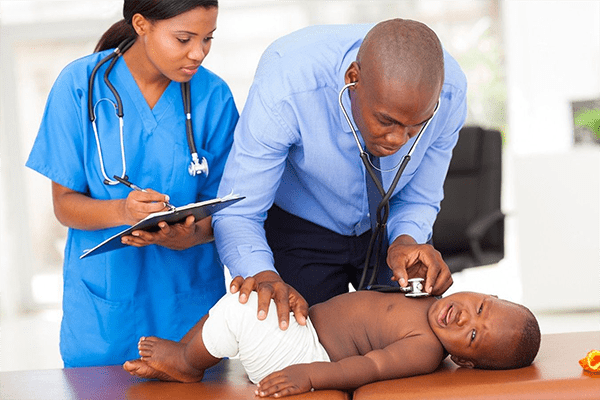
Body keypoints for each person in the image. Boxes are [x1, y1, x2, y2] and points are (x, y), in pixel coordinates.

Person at [213, 18, 468, 331]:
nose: (398, 140)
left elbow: (420, 195)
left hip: (389, 225)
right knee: (304, 349)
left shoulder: (450, 89)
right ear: (353, 78)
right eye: (386, 121)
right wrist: (262, 275)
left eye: (415, 126)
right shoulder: (288, 82)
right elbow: (238, 211)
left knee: (409, 346)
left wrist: (406, 241)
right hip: (303, 225)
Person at [25, 0, 238, 367]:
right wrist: (122, 210)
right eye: (184, 38)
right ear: (141, 24)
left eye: (208, 39)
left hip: (187, 301)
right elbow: (64, 204)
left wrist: (186, 235)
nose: (198, 53)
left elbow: (226, 208)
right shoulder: (80, 87)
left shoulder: (213, 97)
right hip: (107, 307)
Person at [122, 289, 541, 398]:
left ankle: (185, 361)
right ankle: (186, 352)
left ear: (464, 362)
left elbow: (370, 368)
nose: (466, 316)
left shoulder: (424, 348)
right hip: (305, 331)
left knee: (244, 307)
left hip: (305, 355)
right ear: (489, 293)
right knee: (246, 297)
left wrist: (310, 377)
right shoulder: (429, 296)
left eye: (472, 336)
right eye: (482, 307)